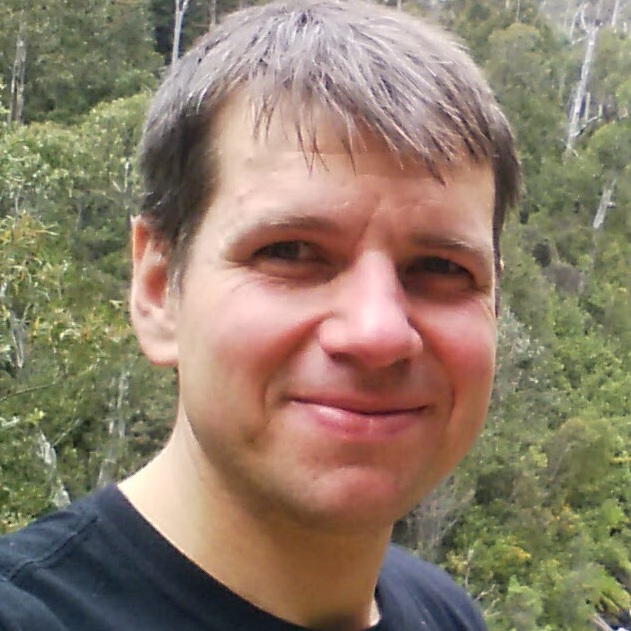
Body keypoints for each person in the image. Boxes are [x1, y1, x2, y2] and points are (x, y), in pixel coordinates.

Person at [0, 1, 520, 630]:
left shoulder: (445, 613)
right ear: (159, 288)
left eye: (441, 267)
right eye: (290, 252)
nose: (378, 332)